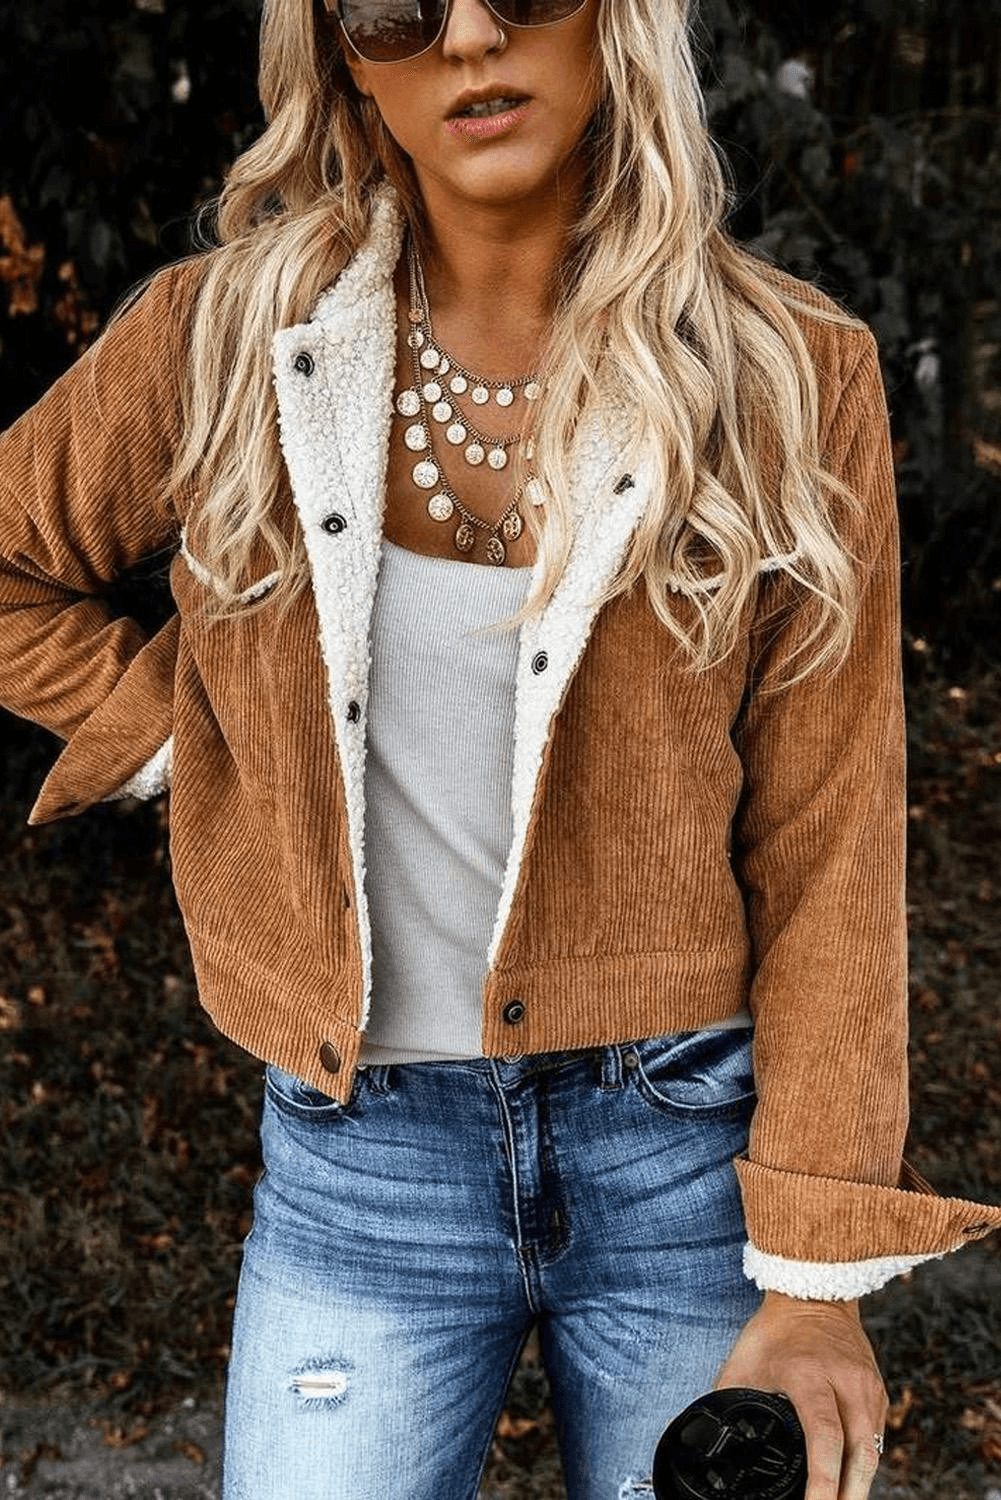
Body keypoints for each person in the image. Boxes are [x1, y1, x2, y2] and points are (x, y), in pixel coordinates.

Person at [1, 0, 998, 1496]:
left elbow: (827, 843)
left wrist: (812, 1277)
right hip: (363, 1170)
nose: (468, 34)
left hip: (687, 1162)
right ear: (344, 60)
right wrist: (189, 743)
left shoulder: (784, 375)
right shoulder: (221, 347)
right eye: (394, 8)